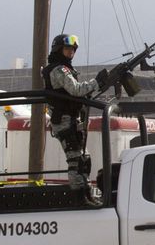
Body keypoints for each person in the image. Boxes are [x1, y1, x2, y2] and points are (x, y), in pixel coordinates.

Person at [41, 33, 108, 200]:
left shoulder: (65, 69)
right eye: (67, 49)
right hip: (63, 121)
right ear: (59, 50)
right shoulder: (58, 70)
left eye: (73, 49)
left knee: (84, 159)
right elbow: (76, 90)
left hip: (71, 119)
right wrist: (96, 82)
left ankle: (85, 192)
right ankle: (78, 196)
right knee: (75, 161)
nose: (71, 52)